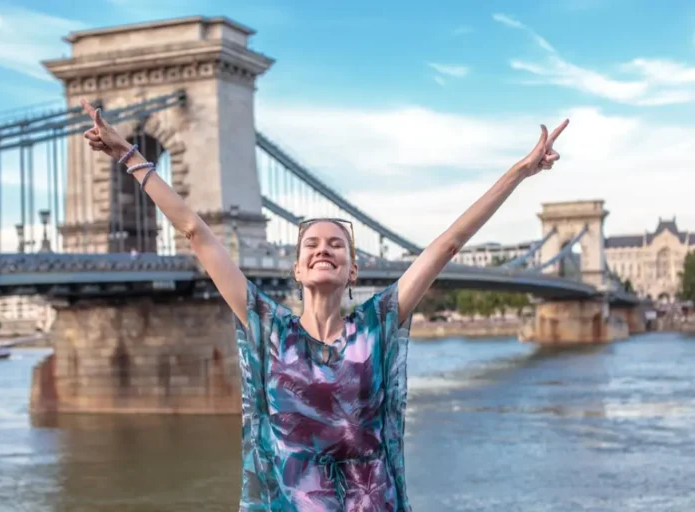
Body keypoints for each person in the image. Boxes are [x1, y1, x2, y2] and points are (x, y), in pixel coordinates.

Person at [80, 99, 568, 511]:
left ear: (353, 270)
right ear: (296, 269)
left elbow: (448, 245)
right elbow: (195, 233)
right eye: (311, 244)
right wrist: (128, 155)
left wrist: (520, 172)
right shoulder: (267, 327)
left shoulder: (378, 323)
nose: (323, 250)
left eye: (337, 245)